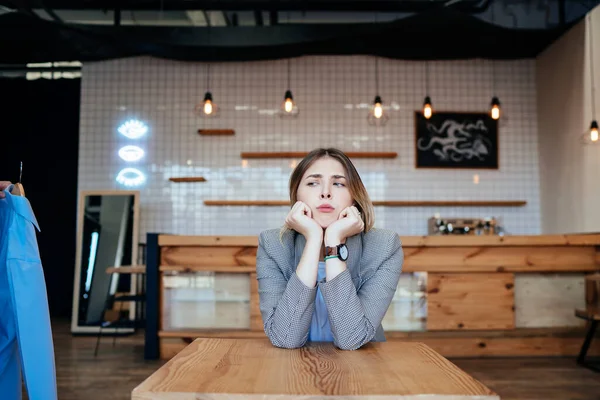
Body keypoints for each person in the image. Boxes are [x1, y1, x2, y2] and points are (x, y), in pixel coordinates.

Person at [256, 148, 404, 351]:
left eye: (338, 183)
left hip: (362, 369)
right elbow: (285, 338)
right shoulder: (273, 245)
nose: (326, 192)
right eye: (313, 183)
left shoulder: (384, 246)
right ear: (296, 194)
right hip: (290, 369)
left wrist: (333, 241)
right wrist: (314, 239)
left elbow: (352, 338)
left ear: (354, 196)